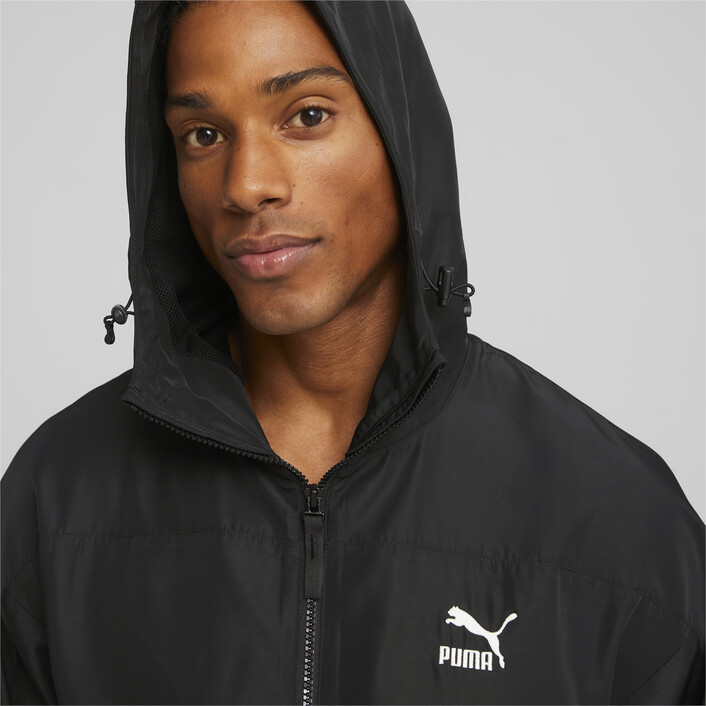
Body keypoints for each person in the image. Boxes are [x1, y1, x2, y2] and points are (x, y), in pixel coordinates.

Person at [1, 1, 703, 704]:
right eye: (203, 134)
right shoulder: (54, 500)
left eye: (307, 116)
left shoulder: (619, 522)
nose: (245, 186)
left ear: (401, 135)